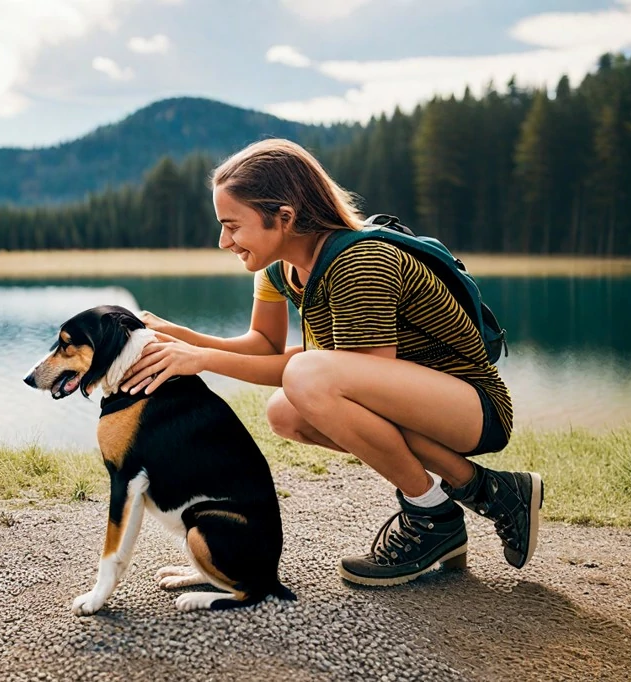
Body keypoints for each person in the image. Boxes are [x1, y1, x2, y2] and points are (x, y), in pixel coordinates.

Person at [119, 138, 542, 587]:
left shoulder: (360, 261)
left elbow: (358, 380)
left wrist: (200, 360)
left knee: (305, 377)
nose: (224, 241)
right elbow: (264, 344)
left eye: (232, 226)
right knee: (285, 411)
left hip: (474, 408)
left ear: (284, 217)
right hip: (417, 401)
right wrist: (184, 338)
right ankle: (486, 492)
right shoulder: (279, 268)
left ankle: (431, 515)